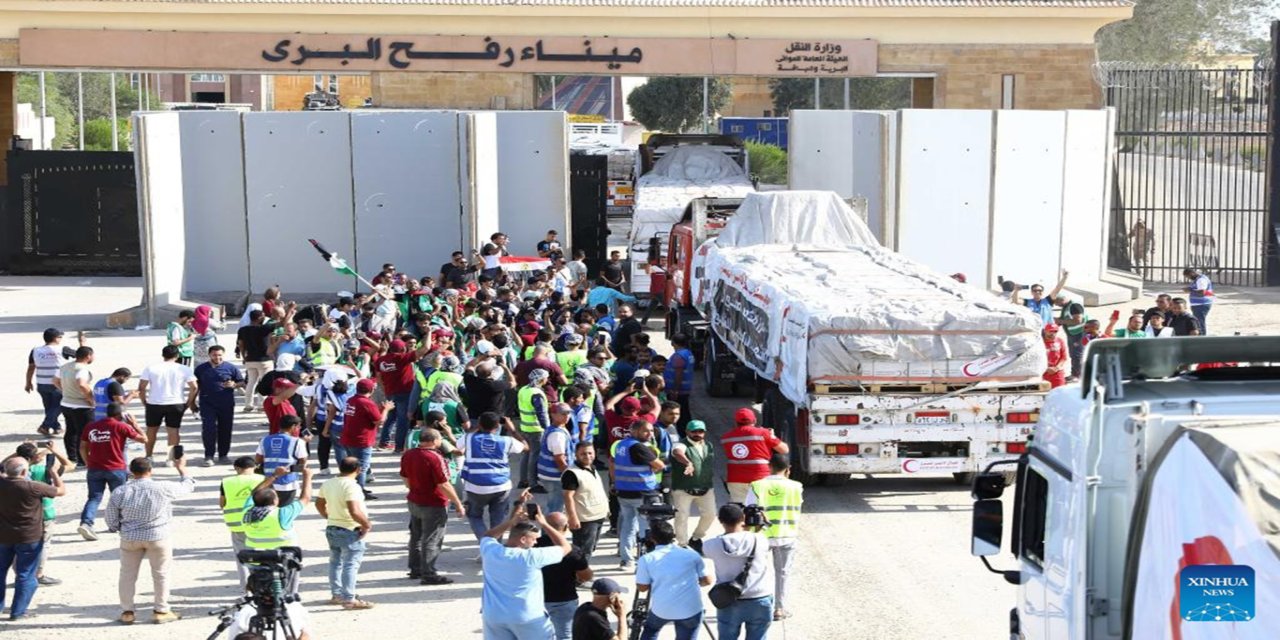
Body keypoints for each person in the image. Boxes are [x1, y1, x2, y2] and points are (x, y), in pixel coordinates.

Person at [105, 456, 195, 624]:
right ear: (150, 470)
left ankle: (127, 611)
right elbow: (187, 487)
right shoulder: (162, 487)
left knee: (127, 575)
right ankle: (160, 610)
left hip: (130, 537)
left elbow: (110, 517)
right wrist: (182, 469)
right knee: (161, 574)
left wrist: (118, 528)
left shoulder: (120, 491)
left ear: (131, 472)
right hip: (158, 536)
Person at [479, 490, 570, 640]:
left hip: (494, 615)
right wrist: (544, 524)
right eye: (533, 539)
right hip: (527, 617)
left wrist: (511, 521)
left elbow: (488, 536)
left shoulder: (490, 551)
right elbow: (565, 547)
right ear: (522, 540)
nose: (535, 543)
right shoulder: (531, 557)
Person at [0, 454, 65, 620]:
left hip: (3, 536)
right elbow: (61, 491)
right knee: (26, 574)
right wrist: (54, 472)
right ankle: (18, 612)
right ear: (23, 473)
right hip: (29, 537)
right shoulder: (32, 487)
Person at [401, 427, 466, 586]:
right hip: (434, 503)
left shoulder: (408, 454)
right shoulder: (435, 458)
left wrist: (414, 490)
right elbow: (444, 484)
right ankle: (429, 573)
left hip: (414, 501)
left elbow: (405, 477)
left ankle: (415, 568)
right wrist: (458, 503)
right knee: (432, 539)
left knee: (416, 536)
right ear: (435, 441)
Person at [702, 504, 775, 640]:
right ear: (743, 518)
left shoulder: (710, 545)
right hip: (759, 598)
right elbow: (756, 538)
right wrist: (757, 525)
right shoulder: (760, 539)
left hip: (729, 599)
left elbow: (723, 542)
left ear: (720, 521)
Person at [746, 453, 804, 621]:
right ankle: (779, 609)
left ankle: (756, 608)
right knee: (783, 573)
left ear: (769, 466)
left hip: (761, 536)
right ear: (788, 469)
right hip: (787, 535)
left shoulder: (757, 485)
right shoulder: (796, 486)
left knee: (757, 572)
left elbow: (749, 509)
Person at [77, 403, 147, 541]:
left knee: (94, 498)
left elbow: (82, 447)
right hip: (116, 468)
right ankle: (119, 524)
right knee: (120, 498)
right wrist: (134, 424)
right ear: (120, 415)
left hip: (95, 468)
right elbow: (144, 439)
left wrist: (88, 463)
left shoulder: (91, 426)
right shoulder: (121, 426)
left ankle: (86, 523)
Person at [240, 467, 311, 599]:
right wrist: (307, 477)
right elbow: (305, 498)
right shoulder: (281, 514)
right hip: (283, 558)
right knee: (288, 590)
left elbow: (254, 493)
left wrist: (274, 476)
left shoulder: (247, 513)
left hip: (256, 558)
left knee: (260, 586)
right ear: (275, 501)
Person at [634, 520, 711, 640]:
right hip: (691, 609)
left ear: (652, 539)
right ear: (673, 536)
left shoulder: (646, 559)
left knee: (651, 630)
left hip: (661, 609)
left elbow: (642, 588)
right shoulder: (691, 554)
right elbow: (707, 581)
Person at [316, 456, 374, 609]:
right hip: (349, 529)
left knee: (335, 562)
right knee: (350, 564)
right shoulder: (352, 486)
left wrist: (329, 516)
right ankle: (349, 598)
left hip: (332, 527)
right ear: (358, 469)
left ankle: (337, 594)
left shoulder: (328, 483)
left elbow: (319, 503)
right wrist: (366, 524)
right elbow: (354, 510)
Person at [459, 411, 527, 540]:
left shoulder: (468, 438)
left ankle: (486, 543)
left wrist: (477, 427)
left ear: (479, 424)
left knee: (474, 516)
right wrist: (512, 430)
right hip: (501, 486)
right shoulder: (507, 441)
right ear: (498, 426)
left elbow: (458, 445)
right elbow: (526, 447)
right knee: (498, 519)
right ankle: (495, 547)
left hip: (475, 486)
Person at [10, 442, 67, 588]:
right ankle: (39, 574)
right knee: (44, 545)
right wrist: (51, 451)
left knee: (18, 546)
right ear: (35, 457)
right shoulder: (43, 471)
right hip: (45, 513)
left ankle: (20, 574)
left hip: (19, 515)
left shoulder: (13, 472)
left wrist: (21, 453)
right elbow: (67, 465)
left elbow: (4, 464)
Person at [612, 420, 665, 569]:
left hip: (624, 493)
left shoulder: (621, 445)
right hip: (642, 493)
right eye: (645, 431)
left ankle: (626, 560)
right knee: (645, 528)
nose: (650, 434)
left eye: (651, 431)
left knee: (628, 526)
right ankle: (645, 560)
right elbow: (659, 465)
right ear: (634, 431)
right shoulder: (638, 447)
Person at [138, 345, 198, 463]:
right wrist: (188, 402)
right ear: (177, 356)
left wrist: (144, 401)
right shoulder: (184, 369)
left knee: (151, 430)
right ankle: (170, 459)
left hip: (154, 402)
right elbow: (194, 387)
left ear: (163, 355)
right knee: (173, 431)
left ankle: (149, 456)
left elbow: (142, 387)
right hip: (176, 402)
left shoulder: (151, 368)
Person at [537, 512, 593, 640]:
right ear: (566, 527)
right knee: (565, 636)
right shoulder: (573, 551)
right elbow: (586, 576)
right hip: (564, 599)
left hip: (535, 598)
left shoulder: (532, 546)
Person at [721, 408, 788, 504]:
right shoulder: (763, 433)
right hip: (761, 477)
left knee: (739, 510)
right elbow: (784, 449)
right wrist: (771, 436)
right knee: (762, 508)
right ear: (754, 420)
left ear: (736, 422)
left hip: (735, 478)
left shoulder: (726, 438)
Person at [194, 345, 244, 466]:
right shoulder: (201, 369)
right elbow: (195, 386)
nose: (217, 357)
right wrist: (192, 402)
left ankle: (223, 455)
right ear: (209, 355)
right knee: (208, 429)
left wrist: (234, 385)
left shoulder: (231, 368)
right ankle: (209, 456)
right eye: (214, 355)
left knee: (225, 429)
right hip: (207, 404)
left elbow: (242, 382)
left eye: (220, 355)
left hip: (226, 403)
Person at [219, 456, 264, 589]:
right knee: (261, 555)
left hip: (236, 524)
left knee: (242, 558)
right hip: (259, 524)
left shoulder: (227, 481)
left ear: (237, 469)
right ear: (254, 467)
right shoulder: (262, 479)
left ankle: (246, 590)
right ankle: (262, 587)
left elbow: (222, 503)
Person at [341, 379, 394, 492]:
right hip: (361, 440)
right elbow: (379, 421)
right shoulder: (367, 403)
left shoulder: (350, 400)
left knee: (353, 467)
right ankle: (359, 492)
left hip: (348, 437)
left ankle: (356, 489)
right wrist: (386, 409)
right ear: (372, 389)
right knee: (361, 468)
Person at [27, 327, 82, 437]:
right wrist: (82, 343)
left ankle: (55, 427)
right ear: (56, 338)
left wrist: (28, 382)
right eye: (60, 337)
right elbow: (82, 356)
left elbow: (31, 367)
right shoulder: (62, 349)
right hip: (58, 383)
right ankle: (44, 426)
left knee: (50, 407)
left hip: (42, 383)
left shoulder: (36, 350)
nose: (61, 339)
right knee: (59, 406)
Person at [670, 420, 715, 548]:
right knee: (682, 517)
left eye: (700, 431)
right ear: (687, 432)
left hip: (706, 488)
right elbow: (677, 452)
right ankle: (682, 544)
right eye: (694, 431)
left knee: (710, 515)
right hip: (683, 489)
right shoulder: (681, 444)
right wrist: (688, 463)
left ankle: (696, 538)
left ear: (704, 432)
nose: (697, 434)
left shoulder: (709, 445)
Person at [561, 442, 608, 563]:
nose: (587, 456)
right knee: (582, 552)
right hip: (585, 519)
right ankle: (578, 578)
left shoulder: (592, 467)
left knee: (590, 548)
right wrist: (572, 517)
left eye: (590, 453)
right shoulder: (571, 473)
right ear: (576, 454)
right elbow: (568, 496)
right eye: (583, 453)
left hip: (598, 516)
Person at [237, 307, 287, 412]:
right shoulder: (264, 328)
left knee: (251, 382)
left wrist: (244, 357)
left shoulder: (243, 330)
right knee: (264, 382)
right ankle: (261, 405)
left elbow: (241, 345)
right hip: (264, 359)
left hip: (250, 359)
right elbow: (282, 323)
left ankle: (248, 405)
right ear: (260, 318)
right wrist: (290, 311)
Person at [53, 345, 95, 466]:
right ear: (88, 356)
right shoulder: (82, 369)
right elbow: (82, 384)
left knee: (71, 431)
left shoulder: (64, 367)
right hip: (81, 406)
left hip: (66, 403)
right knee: (84, 433)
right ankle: (83, 459)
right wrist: (90, 398)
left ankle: (72, 457)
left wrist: (65, 391)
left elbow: (55, 381)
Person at [255, 415, 309, 507]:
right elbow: (303, 462)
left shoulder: (265, 440)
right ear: (293, 426)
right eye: (299, 426)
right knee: (284, 512)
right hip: (288, 483)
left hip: (268, 482)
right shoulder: (297, 442)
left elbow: (258, 459)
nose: (299, 429)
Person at [535, 403, 576, 514]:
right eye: (563, 414)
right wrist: (568, 476)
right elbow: (559, 459)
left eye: (569, 413)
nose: (567, 416)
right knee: (555, 508)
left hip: (549, 475)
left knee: (554, 504)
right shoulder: (557, 434)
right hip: (555, 476)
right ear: (553, 415)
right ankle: (550, 530)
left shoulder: (555, 429)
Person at [518, 369, 553, 489]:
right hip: (536, 429)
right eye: (546, 378)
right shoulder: (537, 393)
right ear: (541, 379)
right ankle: (533, 483)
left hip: (524, 427)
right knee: (535, 455)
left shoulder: (524, 389)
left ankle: (523, 480)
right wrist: (548, 429)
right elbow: (541, 414)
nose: (547, 380)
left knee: (526, 454)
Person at [665, 334, 695, 435]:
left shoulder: (679, 356)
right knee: (685, 412)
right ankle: (688, 431)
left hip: (679, 390)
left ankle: (683, 433)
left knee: (680, 414)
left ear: (673, 342)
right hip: (684, 389)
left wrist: (675, 390)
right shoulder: (688, 353)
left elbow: (678, 374)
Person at [1183, 268, 1214, 335]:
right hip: (1199, 304)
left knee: (1199, 322)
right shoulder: (1198, 279)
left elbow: (1202, 293)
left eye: (1188, 276)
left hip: (1201, 304)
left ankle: (1202, 337)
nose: (1189, 278)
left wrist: (1190, 290)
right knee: (1198, 321)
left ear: (1192, 273)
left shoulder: (1201, 280)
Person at [1042, 325, 1068, 389]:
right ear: (1045, 331)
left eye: (1055, 331)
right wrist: (1046, 368)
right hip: (1043, 373)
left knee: (1060, 391)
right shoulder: (1040, 342)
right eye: (1050, 331)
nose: (1053, 333)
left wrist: (1056, 368)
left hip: (1057, 372)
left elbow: (1064, 357)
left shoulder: (1060, 341)